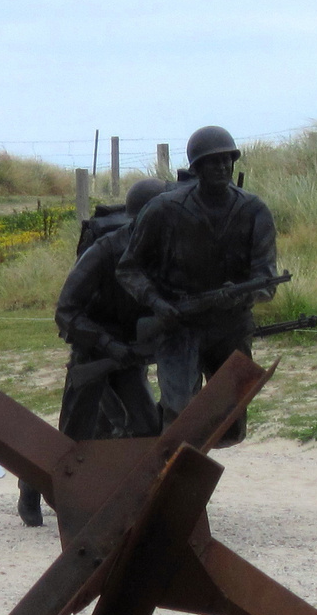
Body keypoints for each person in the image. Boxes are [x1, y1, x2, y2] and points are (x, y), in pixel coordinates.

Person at [16, 178, 169, 527]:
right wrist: (107, 344)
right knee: (72, 440)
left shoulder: (166, 253)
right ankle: (31, 482)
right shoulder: (104, 251)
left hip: (130, 353)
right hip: (94, 352)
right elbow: (66, 312)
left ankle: (125, 497)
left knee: (146, 426)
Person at [115, 126, 278, 446]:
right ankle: (167, 475)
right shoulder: (164, 209)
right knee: (181, 420)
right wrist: (158, 302)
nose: (221, 167)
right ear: (196, 168)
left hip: (230, 325)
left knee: (229, 426)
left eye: (226, 160)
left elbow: (267, 278)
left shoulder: (253, 210)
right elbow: (129, 268)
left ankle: (167, 446)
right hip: (179, 325)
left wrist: (243, 294)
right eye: (211, 161)